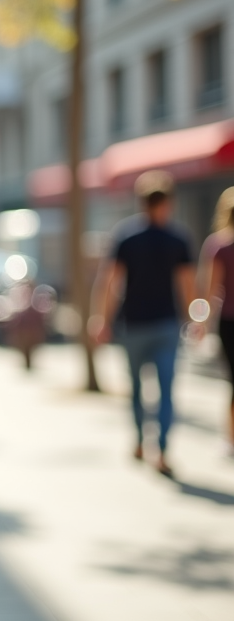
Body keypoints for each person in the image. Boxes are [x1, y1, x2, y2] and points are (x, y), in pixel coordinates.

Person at [90, 171, 195, 477]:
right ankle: (160, 450)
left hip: (134, 324)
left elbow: (108, 283)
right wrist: (194, 319)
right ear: (168, 203)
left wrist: (102, 320)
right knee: (165, 390)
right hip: (165, 324)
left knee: (137, 389)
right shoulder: (178, 238)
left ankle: (139, 442)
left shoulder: (126, 236)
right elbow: (187, 284)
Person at [196, 187, 234, 456]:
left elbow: (209, 290)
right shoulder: (219, 245)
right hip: (230, 319)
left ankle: (230, 435)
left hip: (229, 321)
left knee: (232, 380)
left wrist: (201, 323)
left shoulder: (219, 245)